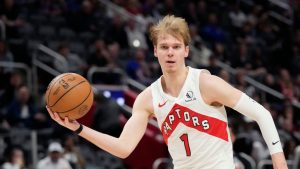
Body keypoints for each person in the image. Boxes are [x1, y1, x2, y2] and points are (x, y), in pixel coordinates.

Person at [46, 15, 288, 169]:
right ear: (155, 51)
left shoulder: (206, 83)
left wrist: (279, 162)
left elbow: (262, 114)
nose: (170, 52)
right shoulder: (148, 98)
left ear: (186, 51)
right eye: (164, 47)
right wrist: (78, 128)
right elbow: (123, 148)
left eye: (175, 47)